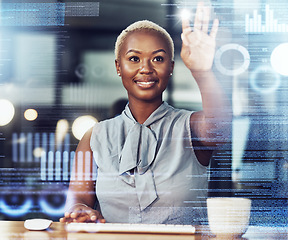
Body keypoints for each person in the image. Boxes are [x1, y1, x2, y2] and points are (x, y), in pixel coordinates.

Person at [60, 2, 230, 224]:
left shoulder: (190, 127)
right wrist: (80, 210)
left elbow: (221, 129)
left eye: (158, 58)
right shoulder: (94, 137)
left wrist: (202, 71)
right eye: (134, 58)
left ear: (171, 67)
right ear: (118, 66)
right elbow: (79, 198)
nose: (146, 68)